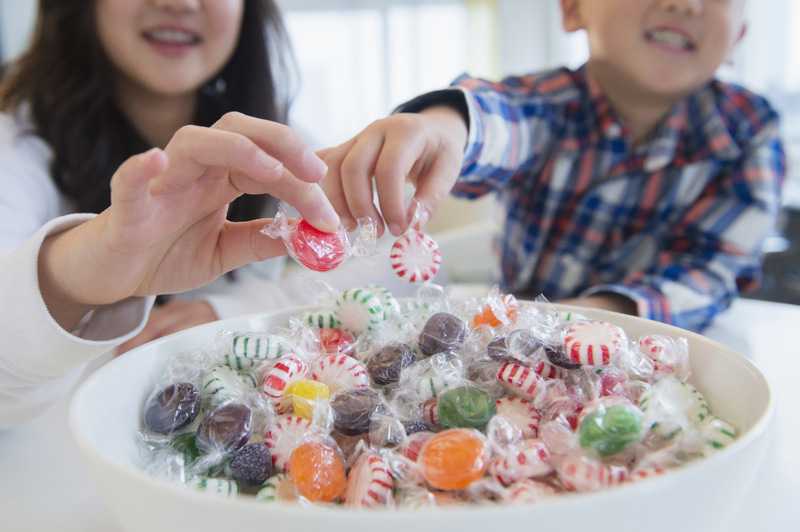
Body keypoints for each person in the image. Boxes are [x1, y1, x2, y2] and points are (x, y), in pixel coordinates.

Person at [319, 0, 785, 332]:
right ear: (572, 8)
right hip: (519, 347)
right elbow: (506, 116)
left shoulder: (750, 130)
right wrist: (446, 127)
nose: (684, 4)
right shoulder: (551, 103)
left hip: (670, 351)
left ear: (738, 37)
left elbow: (710, 272)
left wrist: (585, 316)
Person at [0, 0, 340, 427]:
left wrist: (230, 308)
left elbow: (371, 274)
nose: (178, 3)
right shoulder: (13, 149)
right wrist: (76, 277)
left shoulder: (276, 143)